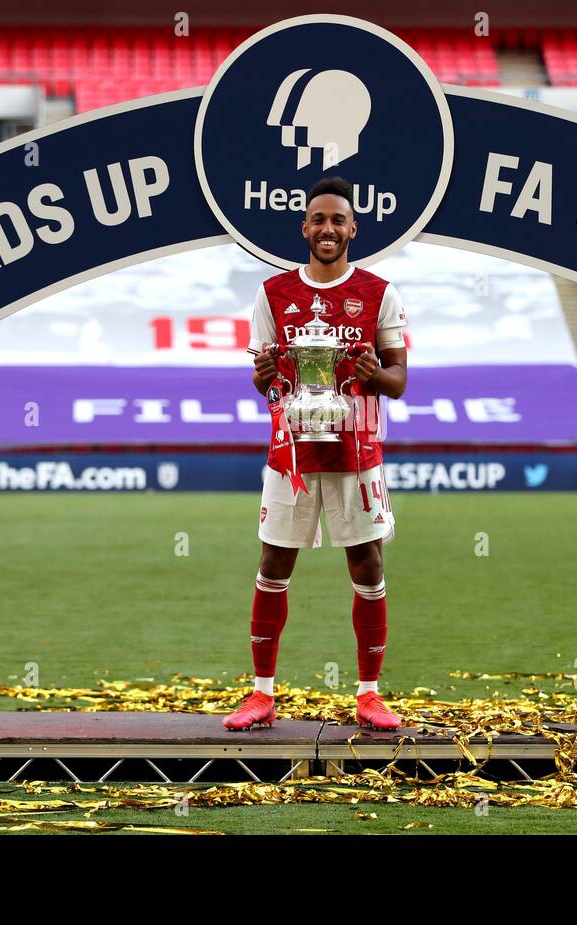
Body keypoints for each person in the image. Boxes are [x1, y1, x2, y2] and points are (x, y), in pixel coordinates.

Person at [223, 175, 409, 731]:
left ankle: (369, 695)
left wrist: (376, 373)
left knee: (367, 564)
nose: (328, 229)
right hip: (293, 456)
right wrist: (264, 377)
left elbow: (400, 379)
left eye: (338, 221)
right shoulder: (273, 294)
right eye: (318, 220)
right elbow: (269, 382)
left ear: (353, 229)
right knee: (274, 563)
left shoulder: (378, 292)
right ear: (304, 228)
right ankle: (260, 694)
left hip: (356, 452)